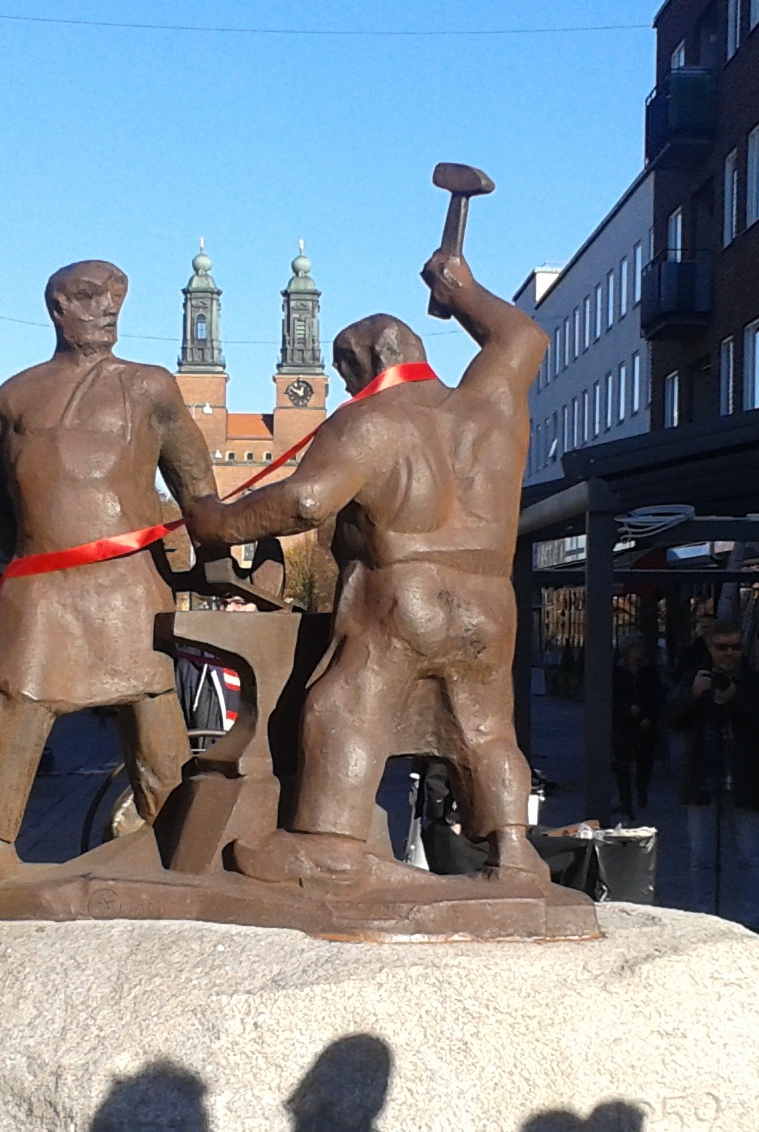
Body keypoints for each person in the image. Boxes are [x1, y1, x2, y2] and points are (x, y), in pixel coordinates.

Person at [183, 244, 548, 890]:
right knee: (487, 724)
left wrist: (219, 524)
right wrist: (462, 292)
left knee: (346, 705)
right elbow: (523, 336)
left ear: (370, 363)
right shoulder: (490, 403)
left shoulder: (370, 420)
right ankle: (513, 852)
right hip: (491, 599)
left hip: (404, 590)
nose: (350, 389)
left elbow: (305, 500)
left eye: (349, 375)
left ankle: (329, 848)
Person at [0, 259, 218, 907]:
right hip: (43, 590)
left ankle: (179, 836)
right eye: (90, 297)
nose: (107, 308)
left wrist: (209, 549)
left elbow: (197, 489)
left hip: (128, 586)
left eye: (116, 296)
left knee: (150, 702)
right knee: (15, 701)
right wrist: (31, 552)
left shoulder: (149, 386)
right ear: (58, 308)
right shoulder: (17, 394)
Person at [666, 617, 759, 931]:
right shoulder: (694, 679)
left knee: (750, 856)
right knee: (701, 858)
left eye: (735, 647)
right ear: (710, 648)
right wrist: (693, 695)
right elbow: (671, 719)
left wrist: (734, 698)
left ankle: (752, 922)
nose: (729, 654)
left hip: (745, 781)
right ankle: (705, 918)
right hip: (703, 780)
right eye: (722, 647)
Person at [611, 632, 664, 821]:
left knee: (645, 761)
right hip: (623, 723)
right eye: (637, 648)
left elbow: (657, 695)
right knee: (622, 764)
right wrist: (626, 709)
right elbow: (611, 695)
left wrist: (649, 716)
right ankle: (625, 802)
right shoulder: (616, 670)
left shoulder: (649, 670)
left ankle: (642, 790)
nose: (641, 651)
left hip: (644, 722)